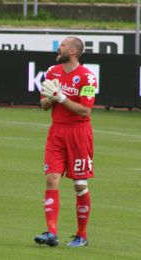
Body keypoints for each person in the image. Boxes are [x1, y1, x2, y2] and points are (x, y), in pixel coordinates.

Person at [34, 36, 97, 247]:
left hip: (79, 134)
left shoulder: (88, 78)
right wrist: (51, 97)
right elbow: (43, 105)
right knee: (52, 178)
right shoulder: (52, 72)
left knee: (80, 185)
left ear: (72, 51)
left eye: (61, 45)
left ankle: (82, 235)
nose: (57, 48)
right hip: (57, 133)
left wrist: (61, 97)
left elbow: (85, 110)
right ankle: (51, 233)